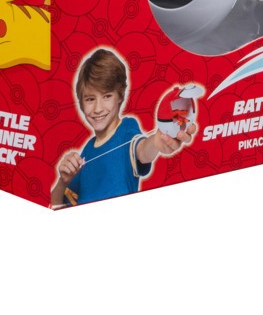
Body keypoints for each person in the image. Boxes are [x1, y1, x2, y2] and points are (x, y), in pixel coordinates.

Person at [50, 48, 195, 206]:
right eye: (90, 99)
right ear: (81, 102)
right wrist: (63, 181)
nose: (98, 108)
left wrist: (156, 141)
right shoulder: (87, 150)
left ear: (120, 96)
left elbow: (141, 149)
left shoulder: (127, 129)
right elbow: (56, 205)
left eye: (107, 96)